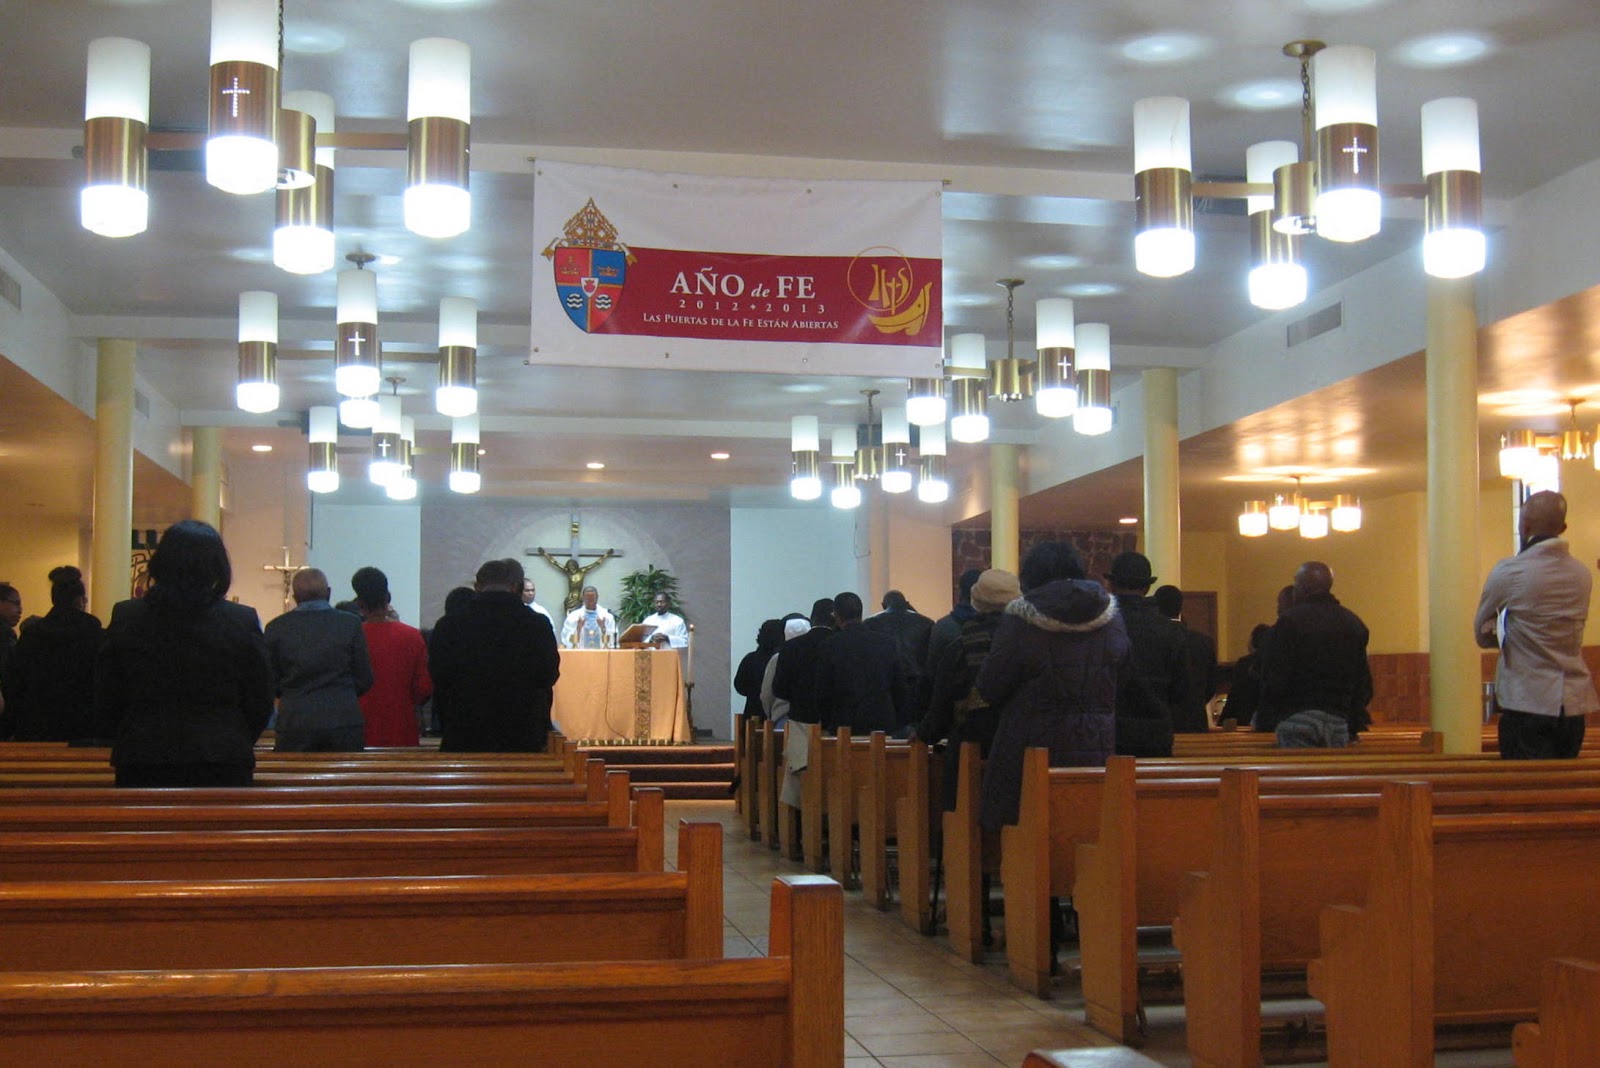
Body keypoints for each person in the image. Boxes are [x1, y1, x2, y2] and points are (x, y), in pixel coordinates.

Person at [95, 520, 274, 787]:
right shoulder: (240, 620)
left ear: (161, 562)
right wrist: (232, 733)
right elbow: (260, 696)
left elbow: (107, 690)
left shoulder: (127, 616)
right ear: (216, 565)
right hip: (221, 755)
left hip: (143, 753)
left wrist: (131, 730)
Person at [977, 540, 1126, 834]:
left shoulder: (1020, 619)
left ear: (1030, 577)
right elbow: (1124, 669)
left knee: (1032, 832)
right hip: (1097, 741)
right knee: (1085, 826)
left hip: (1032, 743)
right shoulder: (1111, 618)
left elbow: (990, 686)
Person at [1474, 490, 1598, 759]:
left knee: (1524, 791)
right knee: (1564, 789)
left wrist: (1506, 633)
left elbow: (1481, 634)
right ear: (1563, 528)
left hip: (1526, 699)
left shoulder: (1511, 571)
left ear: (1524, 525)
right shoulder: (1582, 574)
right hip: (1572, 702)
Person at [430, 557, 561, 752]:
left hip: (465, 731)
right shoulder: (536, 624)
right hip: (522, 733)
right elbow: (549, 674)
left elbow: (439, 676)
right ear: (516, 587)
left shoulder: (449, 625)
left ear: (477, 586)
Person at [916, 568, 1020, 811]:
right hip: (1018, 746)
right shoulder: (1030, 642)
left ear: (976, 601)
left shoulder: (962, 644)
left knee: (961, 814)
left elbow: (941, 702)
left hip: (972, 742)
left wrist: (924, 734)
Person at [1258, 561, 1373, 747]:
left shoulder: (1290, 621)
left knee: (1296, 775)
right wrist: (1352, 722)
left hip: (1297, 717)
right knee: (1333, 775)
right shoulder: (1354, 623)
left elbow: (1274, 677)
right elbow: (1363, 683)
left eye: (1296, 582)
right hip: (1339, 720)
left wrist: (1267, 719)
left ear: (1304, 587)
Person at [263, 568, 374, 752]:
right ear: (328, 593)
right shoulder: (350, 624)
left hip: (295, 721)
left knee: (294, 779)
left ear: (295, 597)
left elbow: (270, 680)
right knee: (347, 779)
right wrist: (342, 694)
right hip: (343, 719)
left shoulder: (276, 627)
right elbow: (364, 677)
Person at [0, 566, 106, 742]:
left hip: (36, 730)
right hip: (85, 731)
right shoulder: (95, 634)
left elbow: (14, 686)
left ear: (53, 598)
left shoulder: (32, 636)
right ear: (80, 600)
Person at [1106, 552, 1186, 757]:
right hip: (1156, 734)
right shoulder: (1170, 631)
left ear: (1111, 585)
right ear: (1147, 587)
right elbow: (1181, 690)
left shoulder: (1101, 626)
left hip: (1110, 733)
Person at [351, 566, 432, 748]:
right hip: (401, 728)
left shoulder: (351, 636)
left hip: (359, 728)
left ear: (359, 603)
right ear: (388, 598)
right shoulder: (411, 636)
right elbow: (423, 688)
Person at [813, 591, 909, 734]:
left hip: (843, 725)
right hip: (882, 723)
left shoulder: (830, 646)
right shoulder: (886, 643)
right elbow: (899, 687)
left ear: (837, 616)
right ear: (861, 613)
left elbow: (823, 690)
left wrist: (827, 723)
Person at [1153, 584, 1219, 733]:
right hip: (1194, 719)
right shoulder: (1204, 642)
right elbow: (1211, 685)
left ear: (1155, 607)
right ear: (1180, 608)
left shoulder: (1150, 639)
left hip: (1160, 722)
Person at [863, 589, 934, 709]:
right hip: (918, 685)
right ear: (906, 603)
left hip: (885, 686)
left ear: (883, 605)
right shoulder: (926, 623)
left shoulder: (870, 623)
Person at [771, 598, 836, 725]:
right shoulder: (840, 645)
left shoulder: (791, 647)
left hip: (800, 717)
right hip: (834, 721)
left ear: (812, 619)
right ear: (836, 620)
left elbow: (779, 689)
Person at [923, 569, 984, 695]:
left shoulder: (943, 627)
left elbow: (932, 671)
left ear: (960, 593)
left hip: (952, 699)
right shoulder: (1002, 626)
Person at [1221, 623, 1273, 729]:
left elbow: (1235, 697)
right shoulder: (1275, 663)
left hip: (1245, 719)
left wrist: (1222, 721)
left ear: (1253, 642)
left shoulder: (1244, 664)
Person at [535, 548, 616, 614]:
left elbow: (596, 563)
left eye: (572, 566)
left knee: (579, 616)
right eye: (569, 566)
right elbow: (554, 562)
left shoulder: (582, 571)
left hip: (579, 598)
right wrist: (545, 554)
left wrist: (606, 555)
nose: (571, 568)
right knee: (569, 617)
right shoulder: (568, 572)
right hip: (570, 597)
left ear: (575, 566)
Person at [734, 617, 785, 719]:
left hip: (752, 712)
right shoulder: (781, 660)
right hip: (775, 714)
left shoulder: (750, 659)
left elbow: (739, 686)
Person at [560, 585, 617, 649]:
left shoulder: (607, 616)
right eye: (588, 600)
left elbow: (614, 640)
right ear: (583, 599)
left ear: (597, 598)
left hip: (602, 654)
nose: (590, 602)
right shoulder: (573, 617)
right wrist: (578, 629)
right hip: (580, 654)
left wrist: (603, 628)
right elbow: (565, 639)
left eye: (592, 600)